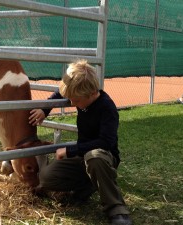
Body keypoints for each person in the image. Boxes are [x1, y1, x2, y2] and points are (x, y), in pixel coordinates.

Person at [29, 59, 132, 225]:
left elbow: (105, 142)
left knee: (95, 157)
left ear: (92, 93)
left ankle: (117, 210)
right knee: (46, 177)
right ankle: (87, 186)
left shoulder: (107, 108)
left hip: (104, 157)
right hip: (83, 155)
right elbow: (61, 93)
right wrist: (45, 109)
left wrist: (70, 151)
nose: (72, 103)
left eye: (75, 100)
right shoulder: (81, 94)